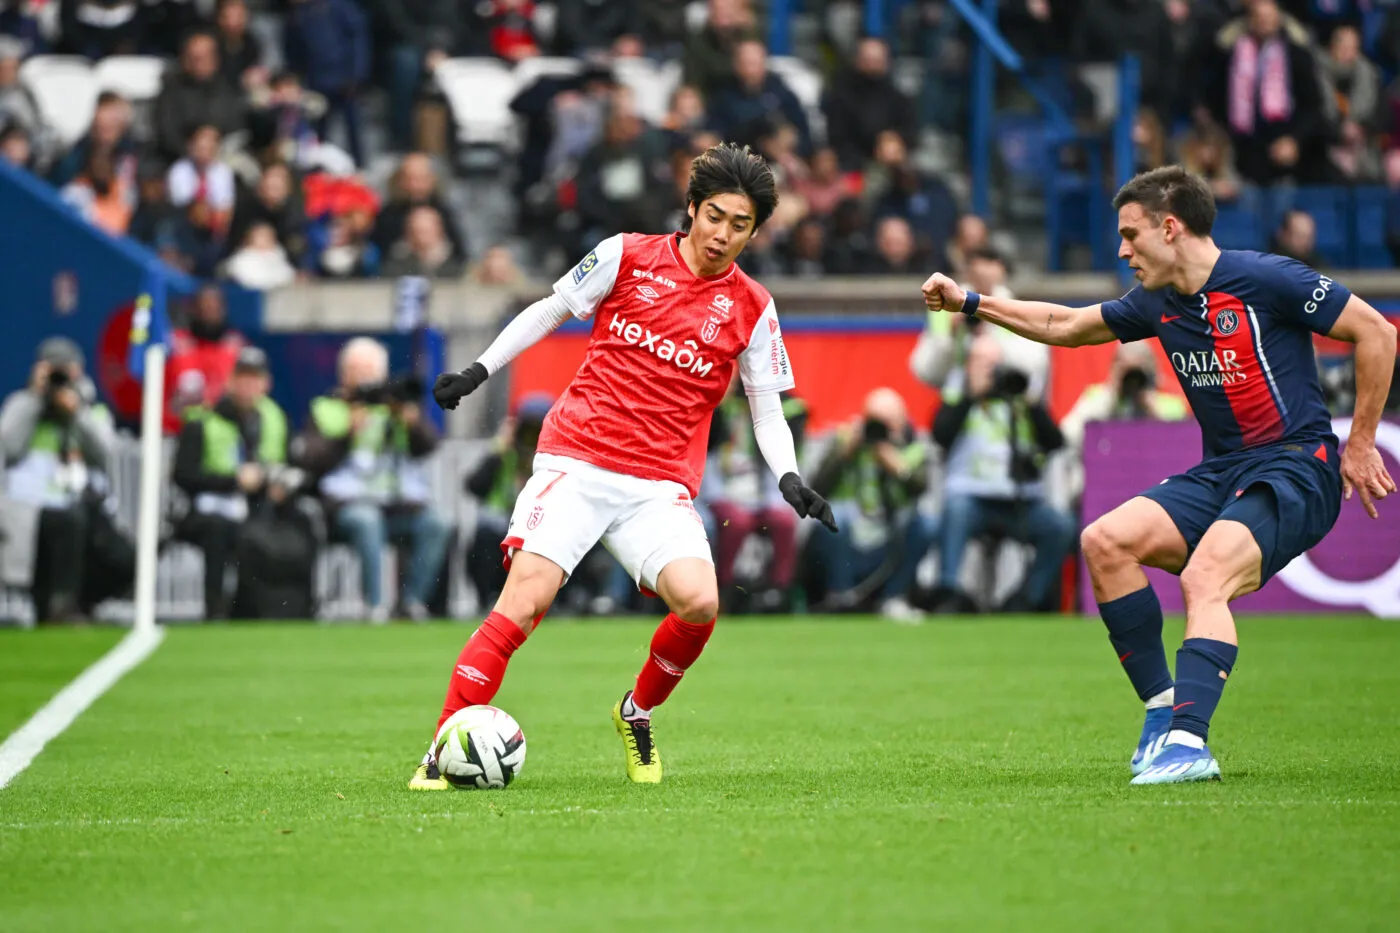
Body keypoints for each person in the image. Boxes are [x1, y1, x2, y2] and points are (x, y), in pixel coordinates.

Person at [921, 165, 1397, 785]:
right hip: (1223, 471)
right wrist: (971, 302)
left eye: (1130, 235)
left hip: (1295, 466)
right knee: (1104, 541)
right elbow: (1063, 327)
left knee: (1205, 577)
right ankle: (1162, 713)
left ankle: (1189, 746)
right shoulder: (1156, 304)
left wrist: (1359, 444)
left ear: (1170, 228)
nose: (1122, 251)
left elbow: (1376, 333)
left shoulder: (1267, 278)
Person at [414, 142, 838, 790]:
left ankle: (635, 711)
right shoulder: (626, 255)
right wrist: (479, 369)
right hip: (577, 460)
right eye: (716, 216)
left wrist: (788, 476)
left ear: (755, 231)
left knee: (700, 602)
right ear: (692, 208)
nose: (724, 235)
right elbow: (550, 308)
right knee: (525, 601)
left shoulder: (753, 307)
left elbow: (767, 410)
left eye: (741, 224)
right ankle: (439, 757)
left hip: (658, 487)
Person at [294, 338, 451, 622]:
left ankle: (412, 603)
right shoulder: (326, 408)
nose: (366, 378)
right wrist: (347, 434)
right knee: (368, 521)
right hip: (346, 505)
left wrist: (411, 421)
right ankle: (375, 606)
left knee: (438, 522)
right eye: (359, 371)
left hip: (397, 502)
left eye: (372, 371)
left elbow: (428, 446)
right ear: (344, 374)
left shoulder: (393, 407)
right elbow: (310, 461)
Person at [171, 346, 289, 620]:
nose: (249, 386)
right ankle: (214, 610)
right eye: (242, 378)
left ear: (266, 384)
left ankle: (267, 608)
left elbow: (286, 462)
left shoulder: (275, 419)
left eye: (255, 378)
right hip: (208, 509)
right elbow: (183, 476)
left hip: (258, 506)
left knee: (280, 525)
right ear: (230, 381)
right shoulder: (203, 421)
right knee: (219, 529)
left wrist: (274, 483)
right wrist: (233, 481)